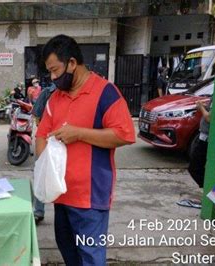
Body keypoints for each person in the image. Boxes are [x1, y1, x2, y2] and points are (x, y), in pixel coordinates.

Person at [35, 35, 136, 264]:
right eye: (49, 72)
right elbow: (41, 135)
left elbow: (124, 134)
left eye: (55, 70)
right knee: (69, 253)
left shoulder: (105, 92)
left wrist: (79, 133)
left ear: (72, 63)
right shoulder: (55, 99)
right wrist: (46, 171)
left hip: (90, 198)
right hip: (60, 195)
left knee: (90, 257)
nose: (52, 77)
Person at [177, 98, 212, 209]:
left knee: (195, 168)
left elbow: (209, 118)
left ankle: (210, 194)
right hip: (204, 136)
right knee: (197, 167)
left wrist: (201, 107)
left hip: (207, 138)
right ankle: (208, 193)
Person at [31, 81, 56, 224]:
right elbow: (37, 116)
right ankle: (39, 211)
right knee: (40, 174)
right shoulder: (47, 93)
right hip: (46, 140)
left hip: (66, 142)